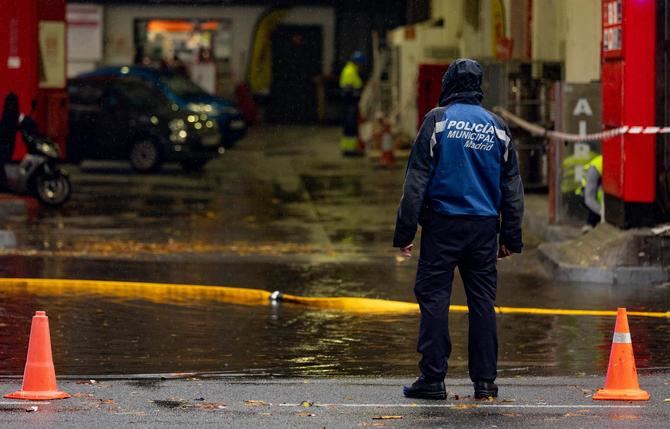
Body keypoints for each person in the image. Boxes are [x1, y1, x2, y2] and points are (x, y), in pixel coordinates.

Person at [393, 59, 524, 400]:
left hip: (442, 225)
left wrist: (406, 232)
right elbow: (512, 187)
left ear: (448, 83)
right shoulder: (498, 127)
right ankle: (485, 383)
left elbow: (416, 180)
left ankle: (433, 379)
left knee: (435, 298)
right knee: (482, 302)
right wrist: (510, 236)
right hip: (483, 229)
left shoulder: (437, 121)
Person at [339, 51, 365, 156]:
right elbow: (349, 90)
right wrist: (358, 93)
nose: (362, 66)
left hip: (349, 104)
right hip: (350, 104)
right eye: (361, 64)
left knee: (349, 127)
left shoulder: (350, 70)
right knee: (350, 127)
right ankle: (350, 150)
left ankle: (348, 148)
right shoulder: (350, 71)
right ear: (357, 62)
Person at [578, 154, 602, 232]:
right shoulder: (597, 166)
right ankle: (590, 223)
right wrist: (603, 212)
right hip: (585, 195)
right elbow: (589, 199)